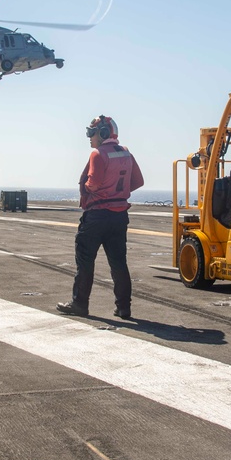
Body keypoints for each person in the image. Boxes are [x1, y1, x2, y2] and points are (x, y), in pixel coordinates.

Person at [57, 115, 145, 319]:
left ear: (103, 133)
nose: (89, 137)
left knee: (85, 261)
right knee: (118, 263)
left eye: (91, 133)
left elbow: (93, 184)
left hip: (96, 216)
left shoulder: (97, 154)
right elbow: (138, 181)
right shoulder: (126, 153)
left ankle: (79, 304)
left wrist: (89, 188)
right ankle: (123, 308)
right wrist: (117, 193)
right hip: (119, 216)